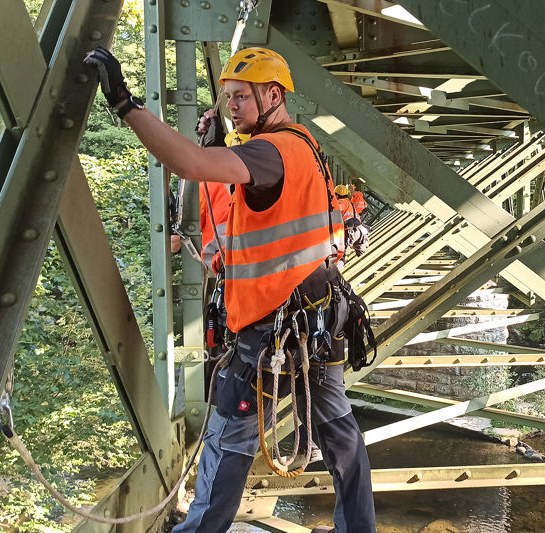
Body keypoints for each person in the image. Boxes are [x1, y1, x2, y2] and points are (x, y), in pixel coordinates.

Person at [85, 46, 376, 533]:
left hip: (270, 334)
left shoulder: (269, 152)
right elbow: (250, 210)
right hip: (316, 319)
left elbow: (192, 164)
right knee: (340, 433)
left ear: (272, 95)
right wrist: (225, 144)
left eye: (241, 96)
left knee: (230, 442)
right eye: (228, 96)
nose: (232, 105)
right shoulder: (300, 144)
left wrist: (125, 104)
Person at [335, 184, 368, 256]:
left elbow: (333, 213)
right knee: (358, 249)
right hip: (357, 226)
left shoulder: (341, 202)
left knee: (343, 248)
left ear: (337, 195)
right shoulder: (350, 202)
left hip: (349, 227)